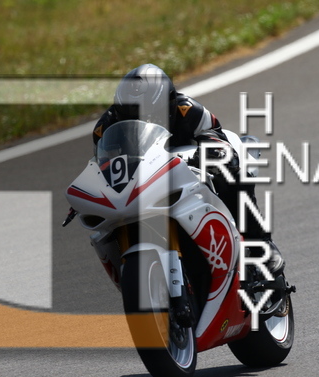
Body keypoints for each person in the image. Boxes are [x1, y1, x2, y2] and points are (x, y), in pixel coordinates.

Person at [93, 63, 284, 279]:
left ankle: (261, 244)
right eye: (130, 117)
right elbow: (101, 166)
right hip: (143, 180)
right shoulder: (105, 127)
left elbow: (215, 136)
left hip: (191, 170)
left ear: (169, 102)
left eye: (147, 115)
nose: (140, 123)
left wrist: (212, 153)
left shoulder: (190, 110)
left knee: (231, 175)